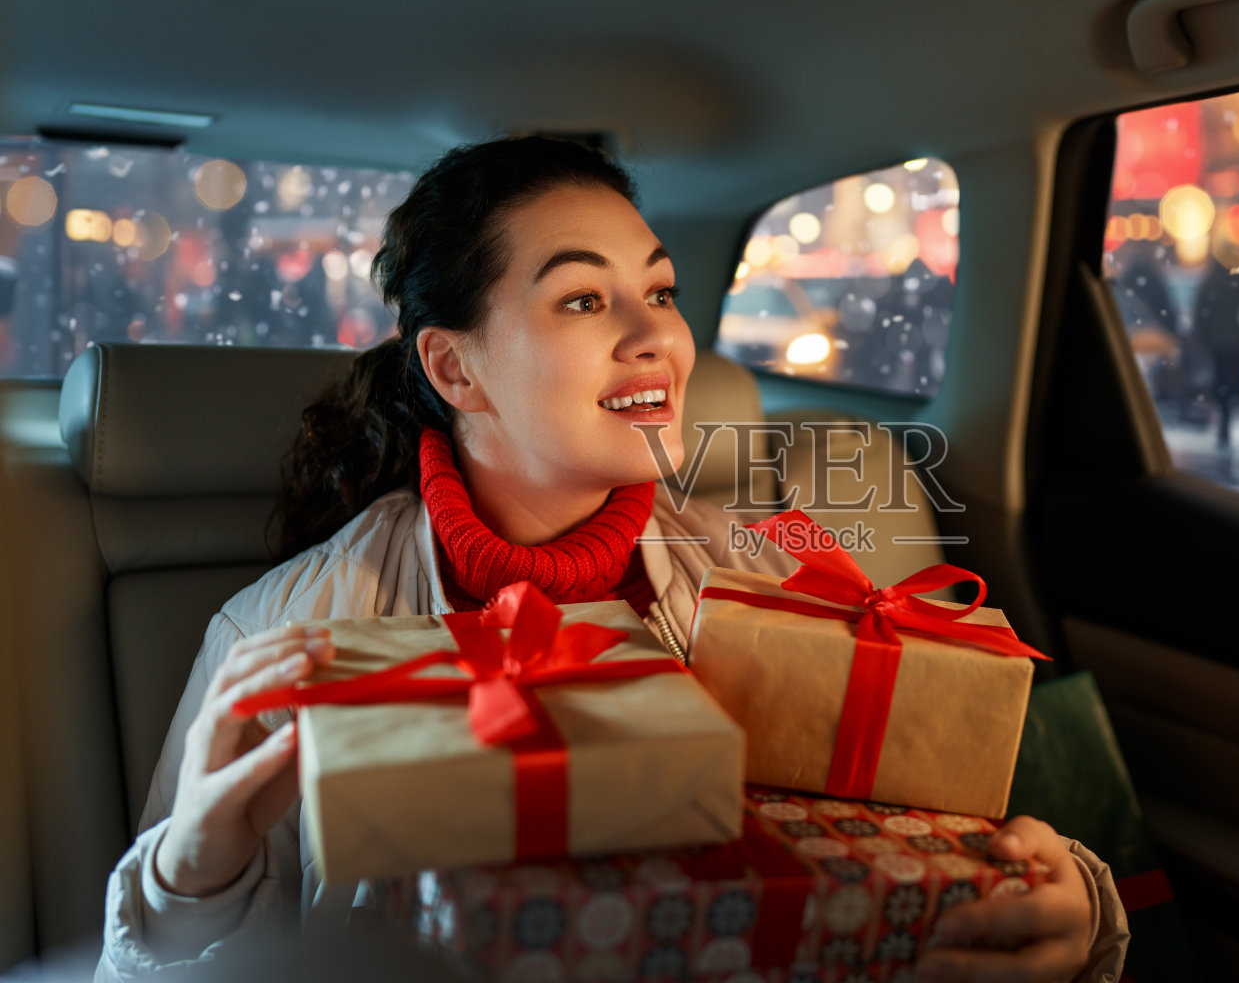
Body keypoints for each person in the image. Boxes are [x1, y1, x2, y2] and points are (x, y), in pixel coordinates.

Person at [95, 136, 1129, 982]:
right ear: (456, 367)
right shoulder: (285, 638)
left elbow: (906, 847)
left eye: (663, 292)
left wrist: (1070, 907)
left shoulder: (773, 573)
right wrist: (184, 880)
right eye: (584, 301)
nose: (658, 339)